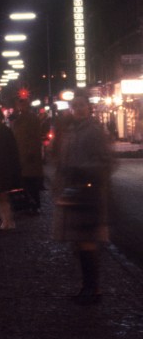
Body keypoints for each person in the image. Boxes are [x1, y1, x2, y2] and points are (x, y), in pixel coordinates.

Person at [52, 89, 113, 304]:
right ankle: (86, 287)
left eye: (81, 105)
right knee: (79, 243)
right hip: (73, 194)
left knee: (87, 242)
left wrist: (81, 171)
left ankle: (93, 289)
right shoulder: (71, 131)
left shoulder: (94, 131)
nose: (77, 109)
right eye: (75, 106)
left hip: (88, 193)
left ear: (89, 108)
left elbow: (106, 162)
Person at [12, 98, 45, 214]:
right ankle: (30, 204)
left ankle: (34, 205)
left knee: (31, 182)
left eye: (23, 105)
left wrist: (31, 152)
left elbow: (35, 137)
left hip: (30, 158)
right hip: (22, 156)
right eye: (19, 105)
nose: (21, 107)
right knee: (26, 182)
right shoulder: (18, 119)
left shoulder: (31, 119)